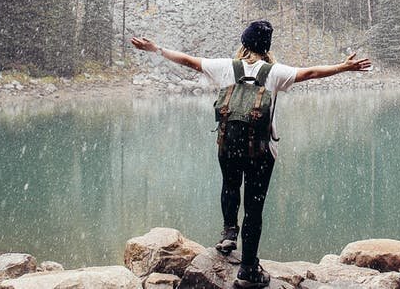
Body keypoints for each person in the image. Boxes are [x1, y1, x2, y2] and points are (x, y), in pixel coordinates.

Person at [130, 20, 371, 289]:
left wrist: (156, 49)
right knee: (254, 207)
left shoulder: (225, 67)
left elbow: (188, 61)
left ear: (244, 44)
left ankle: (228, 233)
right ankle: (247, 270)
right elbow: (312, 72)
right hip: (262, 150)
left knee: (230, 185)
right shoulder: (275, 72)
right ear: (266, 48)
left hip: (229, 144)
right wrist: (344, 67)